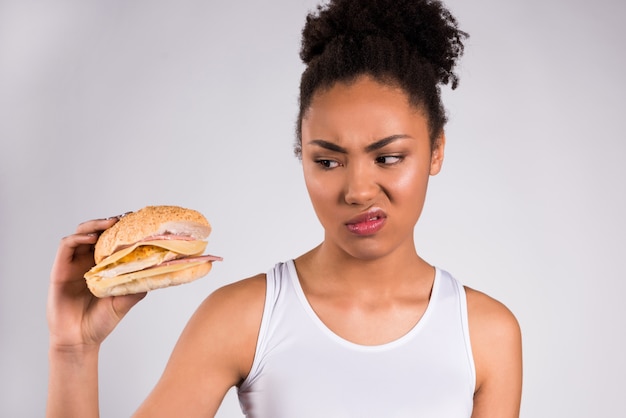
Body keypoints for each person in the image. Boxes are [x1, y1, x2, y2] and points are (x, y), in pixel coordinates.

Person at [47, 0, 523, 416]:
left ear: (436, 150)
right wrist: (74, 349)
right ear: (303, 157)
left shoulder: (487, 335)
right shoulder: (244, 318)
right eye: (328, 160)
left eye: (388, 157)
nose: (358, 190)